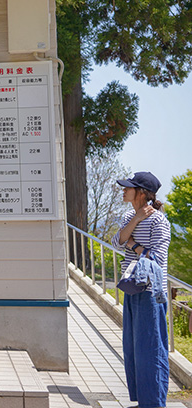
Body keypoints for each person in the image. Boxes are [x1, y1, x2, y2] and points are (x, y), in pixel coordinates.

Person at [110, 171, 170, 408]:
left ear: (142, 193)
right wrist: (134, 221)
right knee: (134, 349)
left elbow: (156, 258)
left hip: (150, 293)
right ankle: (144, 401)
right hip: (131, 288)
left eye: (128, 188)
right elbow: (116, 242)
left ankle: (154, 403)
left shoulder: (159, 222)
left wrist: (132, 243)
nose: (124, 190)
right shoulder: (128, 216)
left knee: (151, 348)